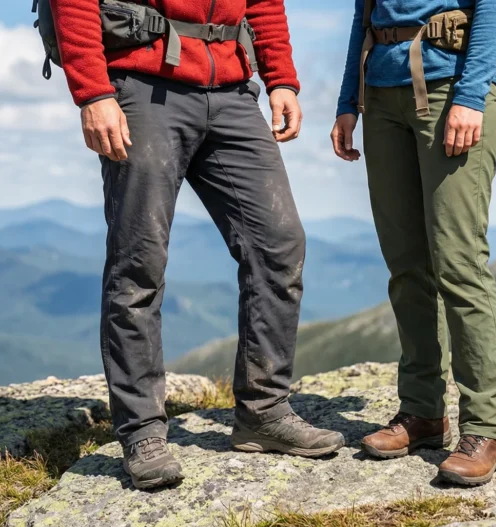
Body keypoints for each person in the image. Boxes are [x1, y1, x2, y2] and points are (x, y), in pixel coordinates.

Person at [51, 0, 345, 490]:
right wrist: (92, 92)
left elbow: (264, 4)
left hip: (231, 91)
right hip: (143, 87)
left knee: (278, 244)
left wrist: (283, 80)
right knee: (139, 261)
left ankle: (264, 412)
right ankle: (142, 430)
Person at [332, 0, 496, 486]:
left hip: (450, 86)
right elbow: (362, 15)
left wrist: (472, 95)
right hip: (382, 97)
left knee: (458, 263)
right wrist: (349, 102)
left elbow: (494, 5)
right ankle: (422, 413)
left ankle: (485, 429)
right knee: (406, 265)